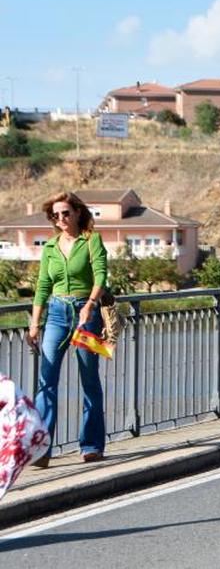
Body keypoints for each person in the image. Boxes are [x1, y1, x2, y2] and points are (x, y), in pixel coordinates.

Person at [26, 192, 109, 465]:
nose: (60, 218)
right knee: (46, 381)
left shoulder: (91, 240)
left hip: (87, 313)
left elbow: (101, 274)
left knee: (89, 379)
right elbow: (42, 287)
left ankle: (91, 445)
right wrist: (35, 322)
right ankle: (41, 450)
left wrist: (90, 305)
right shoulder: (50, 247)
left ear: (77, 213)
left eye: (65, 213)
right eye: (55, 215)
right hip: (57, 314)